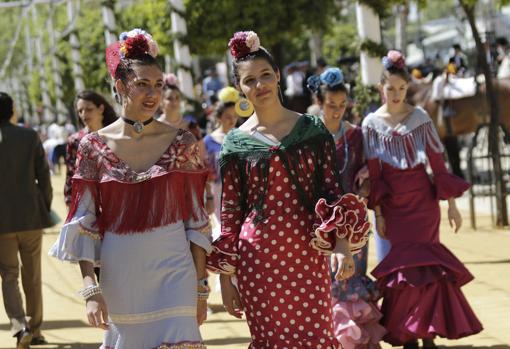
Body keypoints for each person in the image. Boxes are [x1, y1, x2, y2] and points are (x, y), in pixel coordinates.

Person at [206, 31, 370, 348]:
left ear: (278, 76)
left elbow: (332, 193)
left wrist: (342, 246)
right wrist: (226, 278)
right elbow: (230, 213)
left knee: (317, 337)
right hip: (257, 260)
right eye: (249, 80)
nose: (260, 85)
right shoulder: (234, 143)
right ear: (240, 87)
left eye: (266, 75)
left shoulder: (312, 129)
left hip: (308, 254)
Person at [50, 29, 211, 349]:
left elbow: (196, 220)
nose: (152, 94)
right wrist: (91, 291)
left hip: (175, 274)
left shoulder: (183, 143)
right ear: (121, 86)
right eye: (142, 84)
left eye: (158, 85)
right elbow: (84, 222)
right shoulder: (92, 147)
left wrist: (201, 288)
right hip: (120, 277)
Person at [364, 50, 483, 348]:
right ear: (381, 88)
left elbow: (438, 164)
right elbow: (376, 176)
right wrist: (378, 214)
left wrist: (452, 205)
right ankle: (408, 336)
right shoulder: (371, 124)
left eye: (401, 89)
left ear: (408, 88)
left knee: (429, 268)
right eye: (390, 88)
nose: (396, 94)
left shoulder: (420, 117)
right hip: (394, 208)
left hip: (424, 204)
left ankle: (427, 333)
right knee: (403, 271)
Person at [308, 68, 385, 349]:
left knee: (350, 277)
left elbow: (365, 176)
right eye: (331, 105)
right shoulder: (307, 134)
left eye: (343, 105)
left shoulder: (355, 135)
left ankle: (356, 342)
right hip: (318, 223)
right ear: (319, 102)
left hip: (353, 221)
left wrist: (364, 192)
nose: (337, 111)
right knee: (325, 283)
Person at [0, 92, 53, 348]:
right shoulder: (29, 136)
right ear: (12, 111)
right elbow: (44, 177)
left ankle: (19, 327)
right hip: (31, 216)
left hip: (1, 223)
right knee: (32, 274)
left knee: (9, 275)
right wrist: (45, 207)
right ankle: (37, 328)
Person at [64, 90, 117, 207]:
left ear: (101, 109)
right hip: (88, 204)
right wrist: (70, 203)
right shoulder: (75, 141)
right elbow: (71, 176)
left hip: (117, 199)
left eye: (89, 109)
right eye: (80, 111)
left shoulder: (117, 135)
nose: (84, 114)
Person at [203, 86, 240, 229]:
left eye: (235, 116)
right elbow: (206, 172)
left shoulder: (242, 137)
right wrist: (209, 198)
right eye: (227, 117)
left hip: (240, 191)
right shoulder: (208, 141)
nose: (232, 120)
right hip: (219, 194)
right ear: (219, 117)